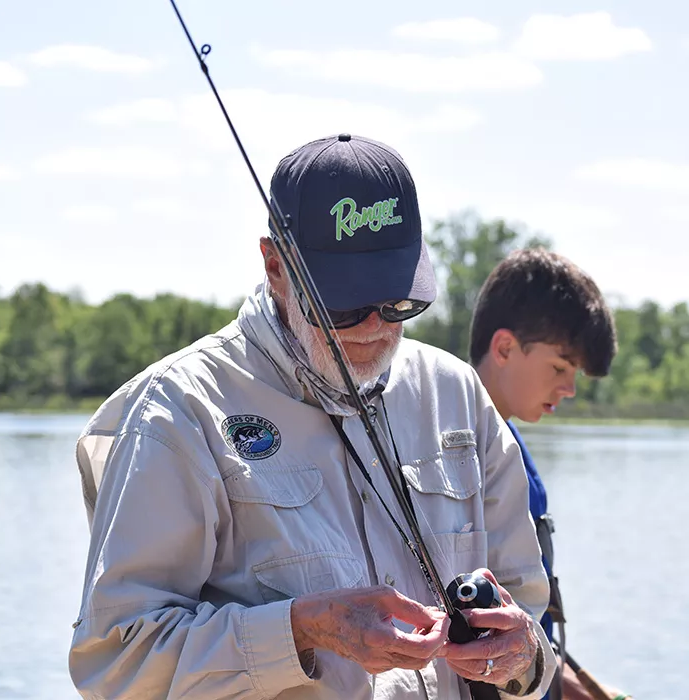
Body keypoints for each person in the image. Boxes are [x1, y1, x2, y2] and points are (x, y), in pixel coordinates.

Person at [69, 133, 556, 699]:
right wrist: (301, 630)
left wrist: (520, 653)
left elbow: (529, 631)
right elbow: (116, 663)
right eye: (344, 307)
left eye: (401, 302)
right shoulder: (174, 412)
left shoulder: (457, 394)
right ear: (276, 267)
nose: (376, 326)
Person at [469, 248, 632, 700]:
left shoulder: (511, 444)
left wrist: (566, 685)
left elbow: (524, 621)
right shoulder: (449, 451)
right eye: (560, 367)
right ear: (504, 348)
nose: (570, 388)